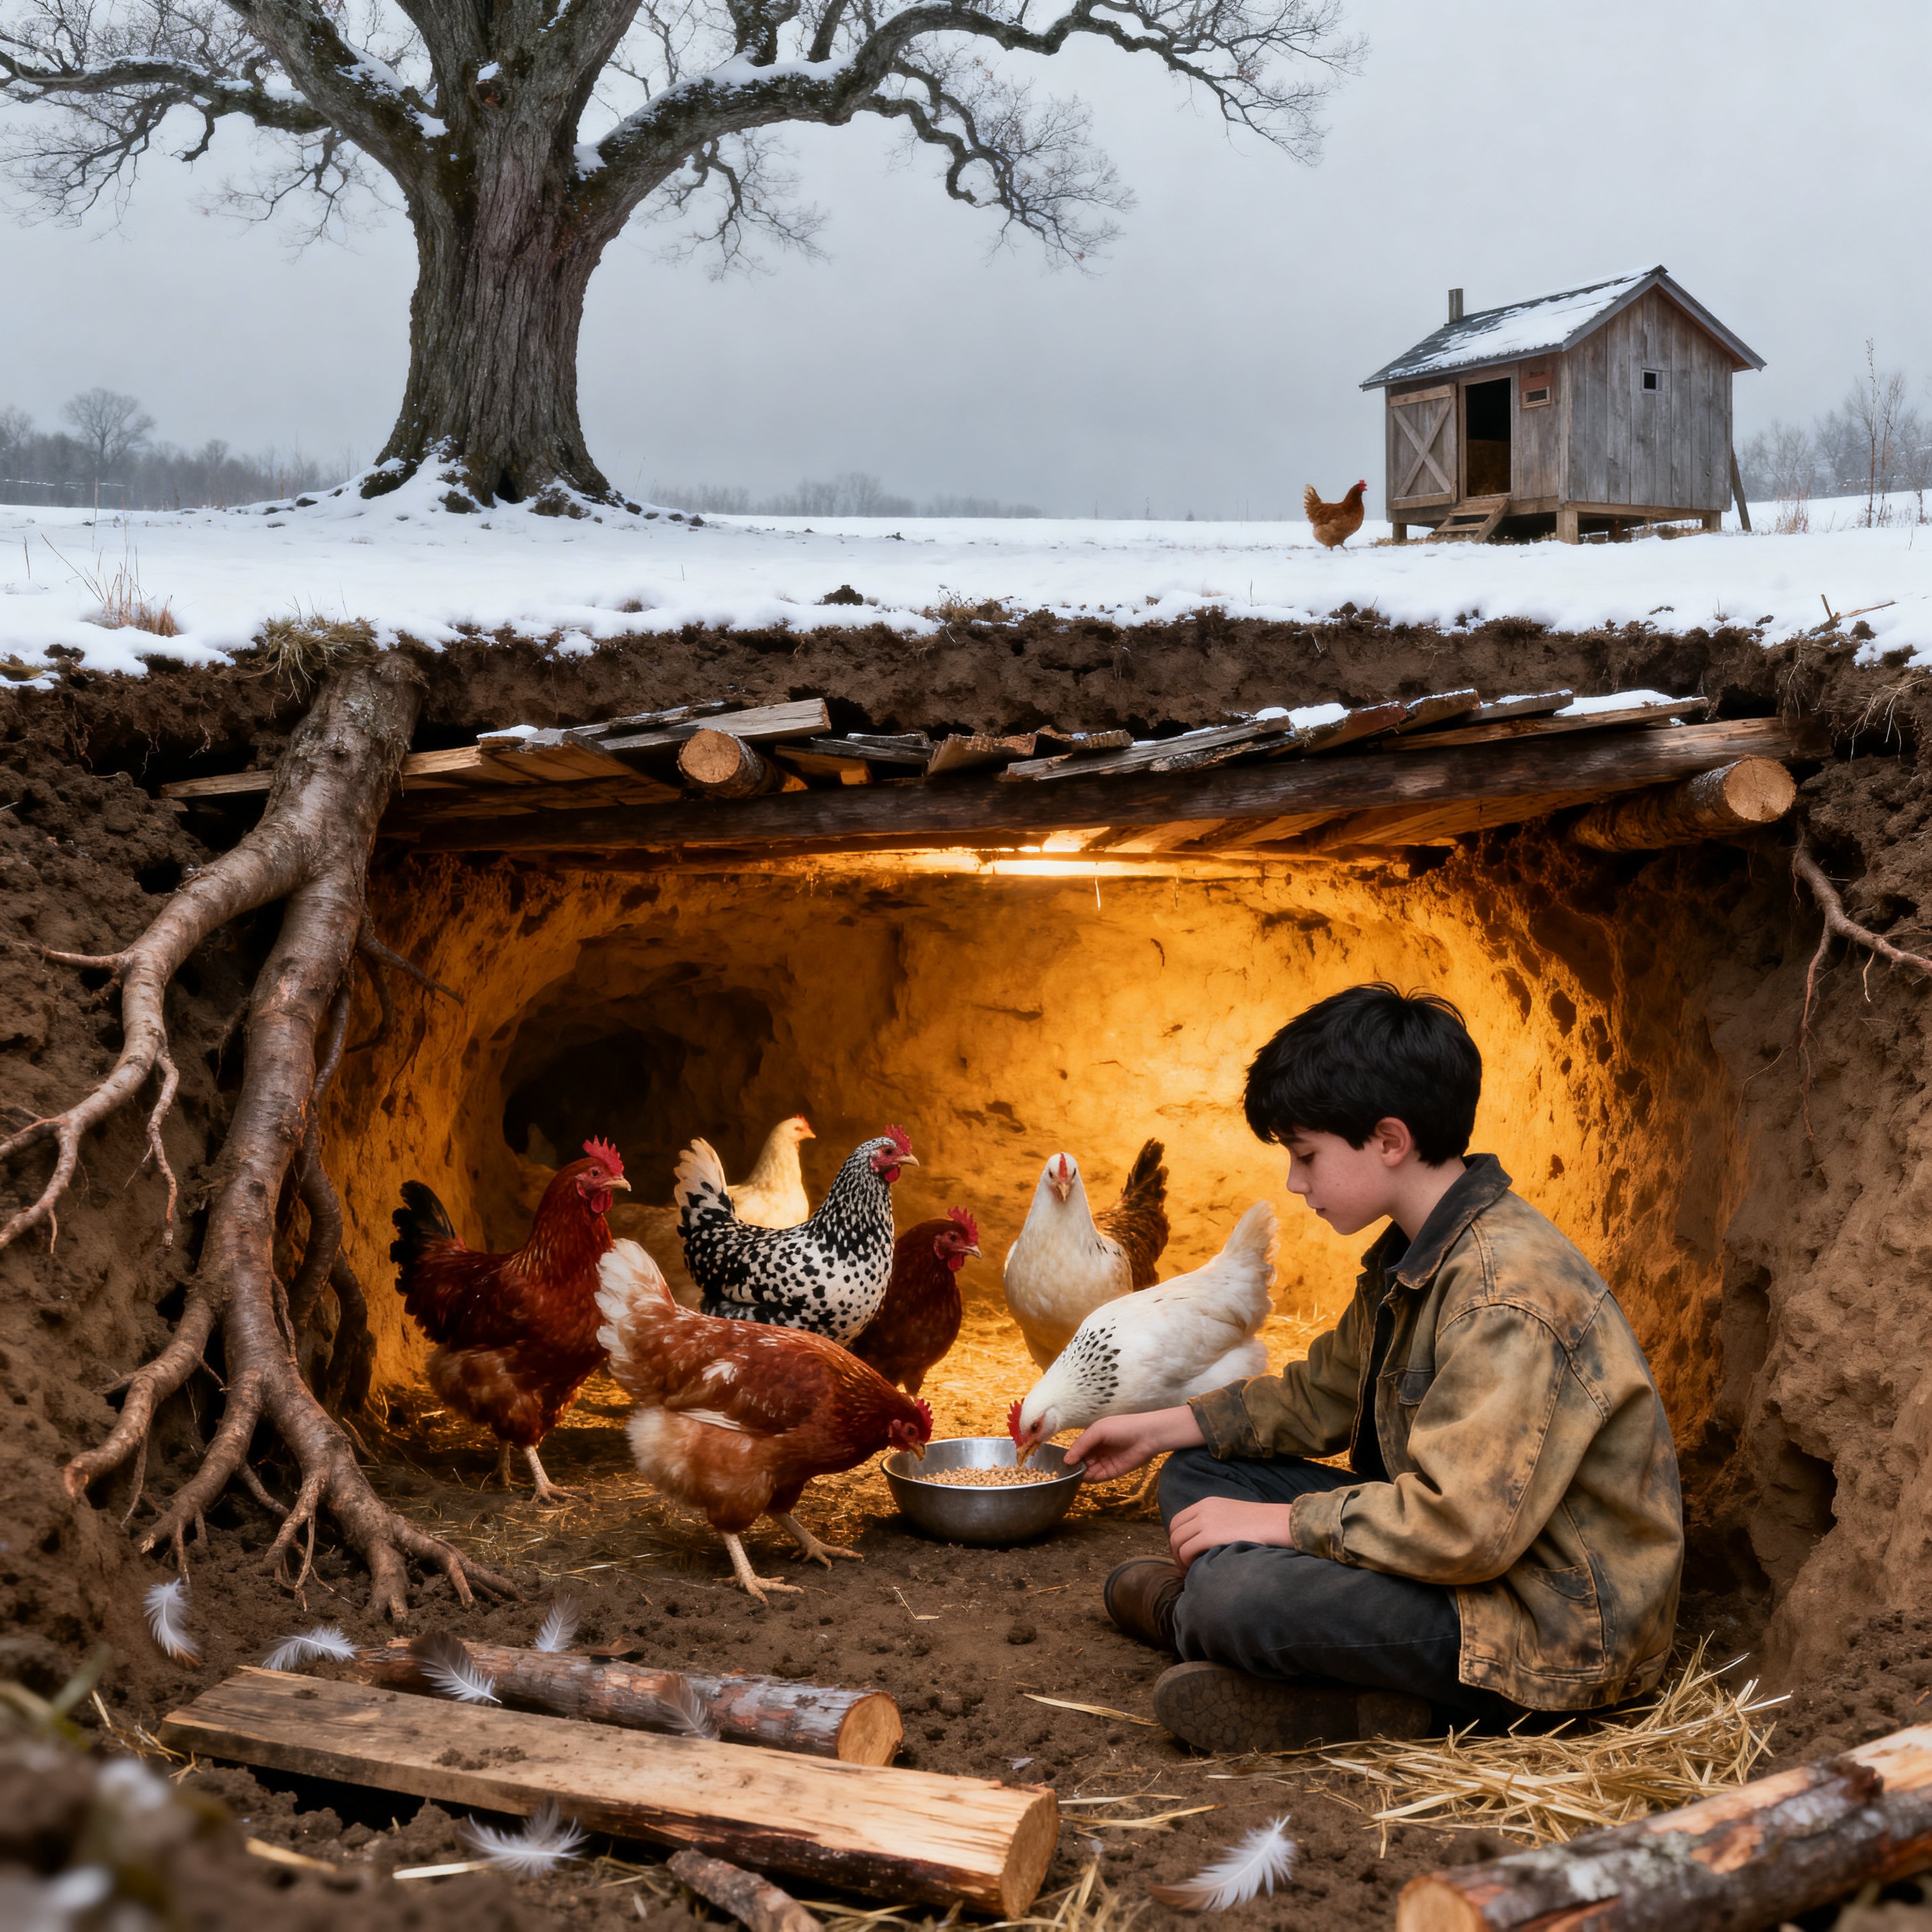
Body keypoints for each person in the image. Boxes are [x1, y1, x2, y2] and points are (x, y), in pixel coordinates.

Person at [1069, 983, 1683, 1753]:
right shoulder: (1417, 1251)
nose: (1296, 1183)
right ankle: (1299, 1662)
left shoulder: (1504, 1294)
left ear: (1389, 1140)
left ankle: (1200, 1620)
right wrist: (1159, 1428)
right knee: (1199, 1472)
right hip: (1463, 1565)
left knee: (1237, 1592)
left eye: (1306, 1156)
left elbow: (1463, 1530)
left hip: (1547, 1622)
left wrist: (1277, 1525)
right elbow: (1323, 1395)